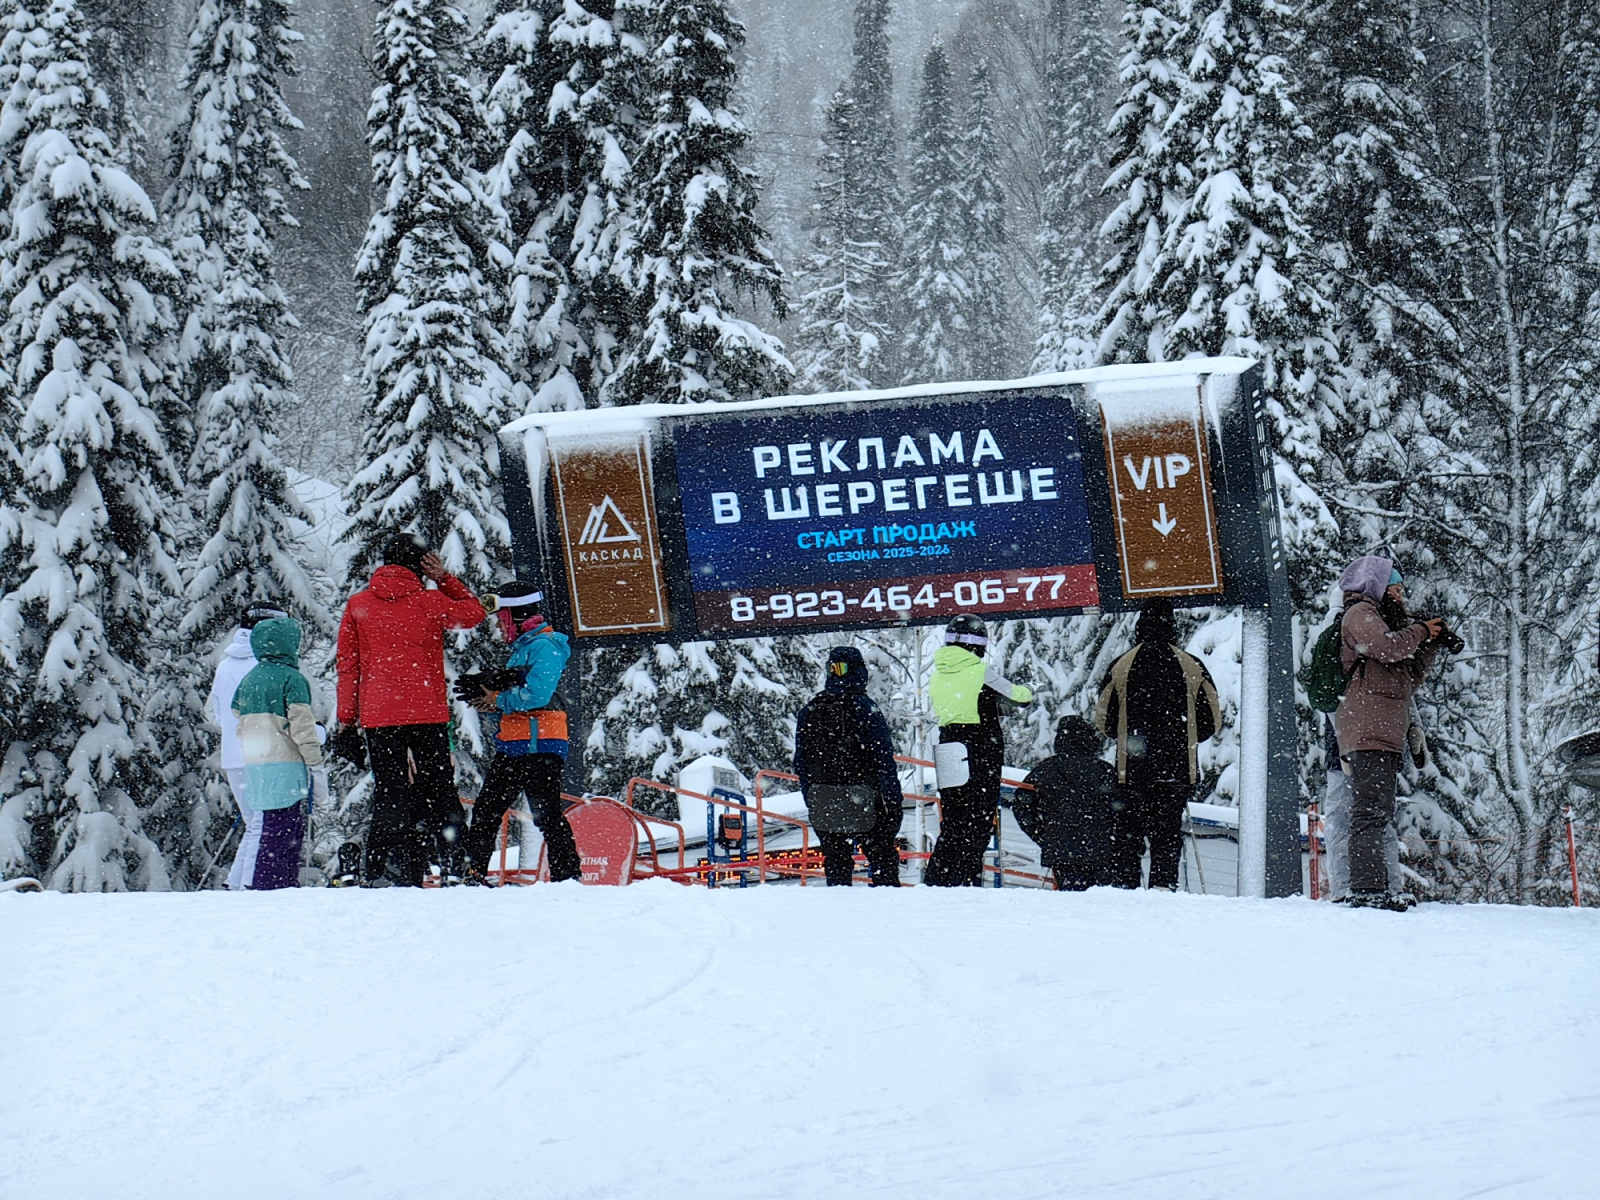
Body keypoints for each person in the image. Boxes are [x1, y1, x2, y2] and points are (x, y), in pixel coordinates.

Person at [334, 532, 486, 886]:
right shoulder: (430, 602)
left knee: (390, 790)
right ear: (420, 565)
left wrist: (346, 721)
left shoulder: (359, 605)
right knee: (440, 789)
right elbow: (474, 613)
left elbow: (348, 667)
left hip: (379, 714)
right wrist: (444, 578)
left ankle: (379, 870)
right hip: (427, 711)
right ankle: (455, 865)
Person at [1333, 557, 1442, 909]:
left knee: (1378, 811)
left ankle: (1375, 887)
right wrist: (1421, 631)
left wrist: (1429, 644)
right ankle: (1366, 890)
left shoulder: (1377, 619)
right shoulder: (1361, 615)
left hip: (1382, 731)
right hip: (1368, 730)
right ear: (1376, 586)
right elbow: (1387, 647)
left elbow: (1405, 678)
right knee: (1368, 812)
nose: (1400, 595)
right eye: (1395, 588)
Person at [456, 582, 581, 885]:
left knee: (545, 814)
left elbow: (537, 695)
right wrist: (494, 700)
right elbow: (522, 691)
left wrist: (497, 699)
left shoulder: (545, 646)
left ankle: (568, 876)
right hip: (516, 743)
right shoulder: (524, 648)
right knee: (489, 810)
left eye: (503, 617)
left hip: (539, 744)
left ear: (518, 615)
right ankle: (473, 874)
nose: (499, 624)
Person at [1094, 599, 1221, 891]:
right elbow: (1211, 719)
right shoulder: (1191, 665)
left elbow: (1104, 720)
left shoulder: (1122, 665)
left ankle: (1125, 890)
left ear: (1140, 627)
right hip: (1176, 771)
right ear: (1172, 627)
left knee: (1127, 837)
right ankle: (1163, 889)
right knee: (1166, 837)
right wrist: (1185, 738)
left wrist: (1128, 737)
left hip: (1131, 770)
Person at [925, 615, 1033, 887]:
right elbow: (1018, 696)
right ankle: (968, 882)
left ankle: (939, 880)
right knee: (979, 822)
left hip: (948, 747)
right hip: (979, 749)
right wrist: (1029, 689)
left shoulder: (938, 674)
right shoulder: (980, 671)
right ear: (979, 643)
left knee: (953, 822)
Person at [792, 646, 905, 887]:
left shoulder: (809, 711)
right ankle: (890, 907)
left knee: (835, 859)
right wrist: (892, 800)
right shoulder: (866, 708)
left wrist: (811, 797)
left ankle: (840, 907)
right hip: (866, 798)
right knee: (882, 856)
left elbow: (801, 762)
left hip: (824, 798)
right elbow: (882, 757)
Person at [231, 618, 329, 889]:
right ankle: (274, 889)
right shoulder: (292, 679)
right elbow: (303, 729)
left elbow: (235, 711)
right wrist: (315, 764)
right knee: (286, 836)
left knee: (270, 832)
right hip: (286, 768)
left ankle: (271, 885)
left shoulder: (250, 679)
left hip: (256, 766)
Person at [206, 602, 288, 890]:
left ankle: (235, 882)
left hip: (234, 756)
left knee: (255, 822)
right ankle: (248, 886)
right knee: (262, 824)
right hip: (261, 755)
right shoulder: (264, 666)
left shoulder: (226, 665)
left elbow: (217, 713)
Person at [1014, 715, 1120, 891]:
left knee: (1069, 902)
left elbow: (1022, 805)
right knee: (1101, 903)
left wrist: (1042, 835)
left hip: (1061, 850)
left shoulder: (1045, 770)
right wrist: (1113, 837)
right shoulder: (1104, 770)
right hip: (1100, 849)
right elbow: (1121, 809)